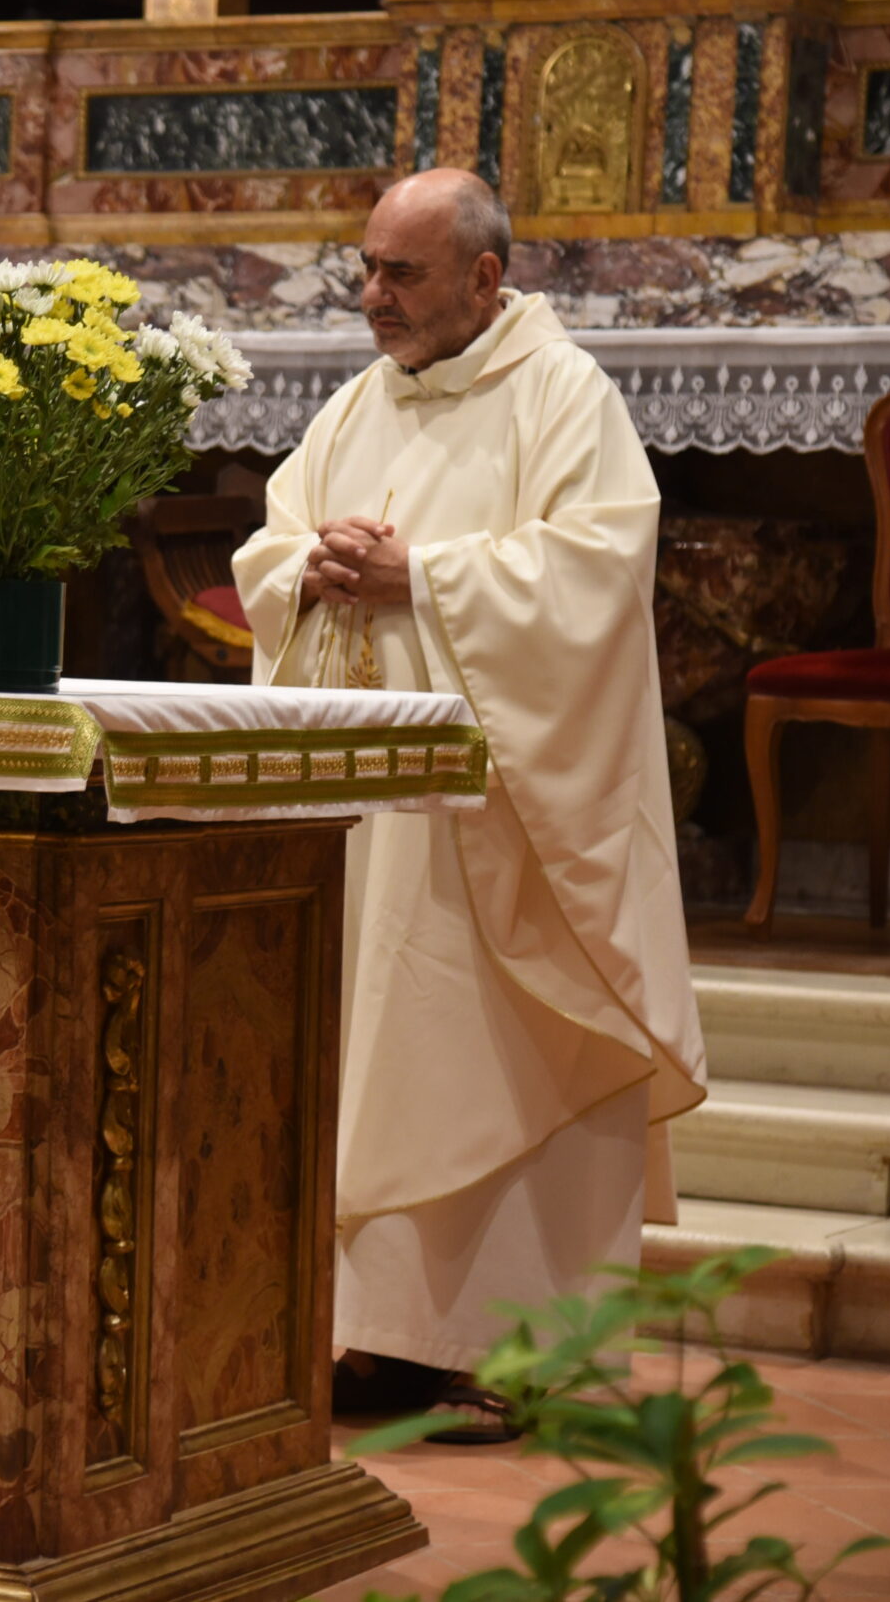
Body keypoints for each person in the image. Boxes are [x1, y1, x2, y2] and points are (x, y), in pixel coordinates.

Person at [230, 168, 706, 1438]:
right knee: (389, 1055)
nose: (370, 295)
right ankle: (387, 1336)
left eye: (402, 273)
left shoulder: (562, 394)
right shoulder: (359, 402)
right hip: (377, 817)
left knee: (500, 1051)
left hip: (504, 817)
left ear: (485, 278)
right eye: (367, 267)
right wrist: (310, 568)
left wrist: (423, 579)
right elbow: (270, 542)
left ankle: (519, 1350)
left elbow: (598, 570)